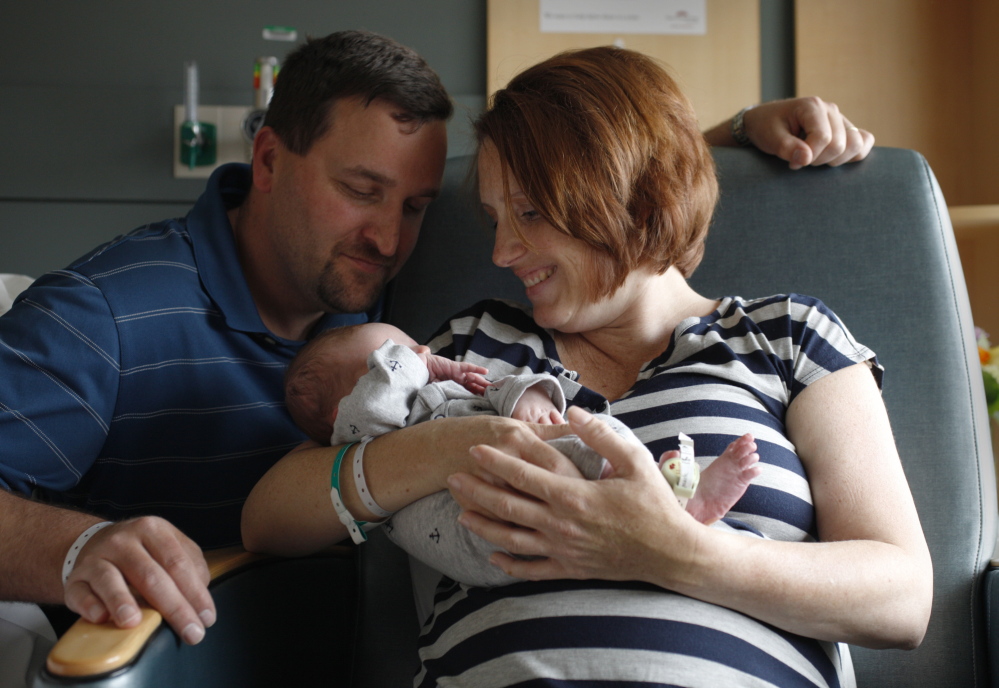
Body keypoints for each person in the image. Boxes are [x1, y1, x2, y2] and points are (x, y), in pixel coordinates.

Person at [0, 26, 874, 658]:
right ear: (266, 162)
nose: (389, 236)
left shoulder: (391, 308)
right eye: (360, 189)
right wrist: (77, 549)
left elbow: (598, 204)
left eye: (416, 206)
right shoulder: (105, 315)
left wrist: (734, 136)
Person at [243, 46, 929, 686]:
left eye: (531, 212)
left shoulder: (785, 338)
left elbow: (900, 600)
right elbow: (270, 518)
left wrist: (668, 551)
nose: (502, 253)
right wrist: (458, 442)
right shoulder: (471, 347)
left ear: (636, 193)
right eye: (492, 220)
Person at [283, 321, 760, 590]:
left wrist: (528, 399)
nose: (421, 350)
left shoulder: (447, 391)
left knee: (590, 431)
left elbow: (497, 388)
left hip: (522, 481)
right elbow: (373, 408)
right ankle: (664, 500)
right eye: (395, 352)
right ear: (337, 411)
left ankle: (673, 495)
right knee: (537, 483)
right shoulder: (362, 431)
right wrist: (415, 363)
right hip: (476, 524)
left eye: (413, 346)